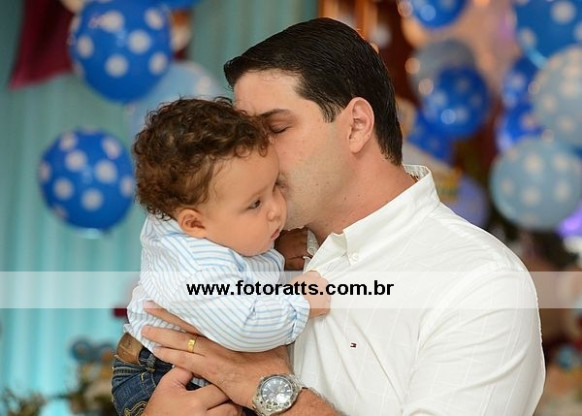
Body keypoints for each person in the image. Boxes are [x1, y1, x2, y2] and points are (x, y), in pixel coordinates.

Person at [142, 17, 545, 416]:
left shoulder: (481, 283)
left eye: (275, 129)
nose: (253, 157)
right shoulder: (238, 247)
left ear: (356, 125)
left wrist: (272, 389)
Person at [112, 97, 329, 415]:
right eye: (255, 203)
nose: (275, 210)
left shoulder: (206, 218)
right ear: (194, 224)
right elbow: (243, 324)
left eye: (275, 186)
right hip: (158, 374)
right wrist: (302, 303)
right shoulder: (198, 267)